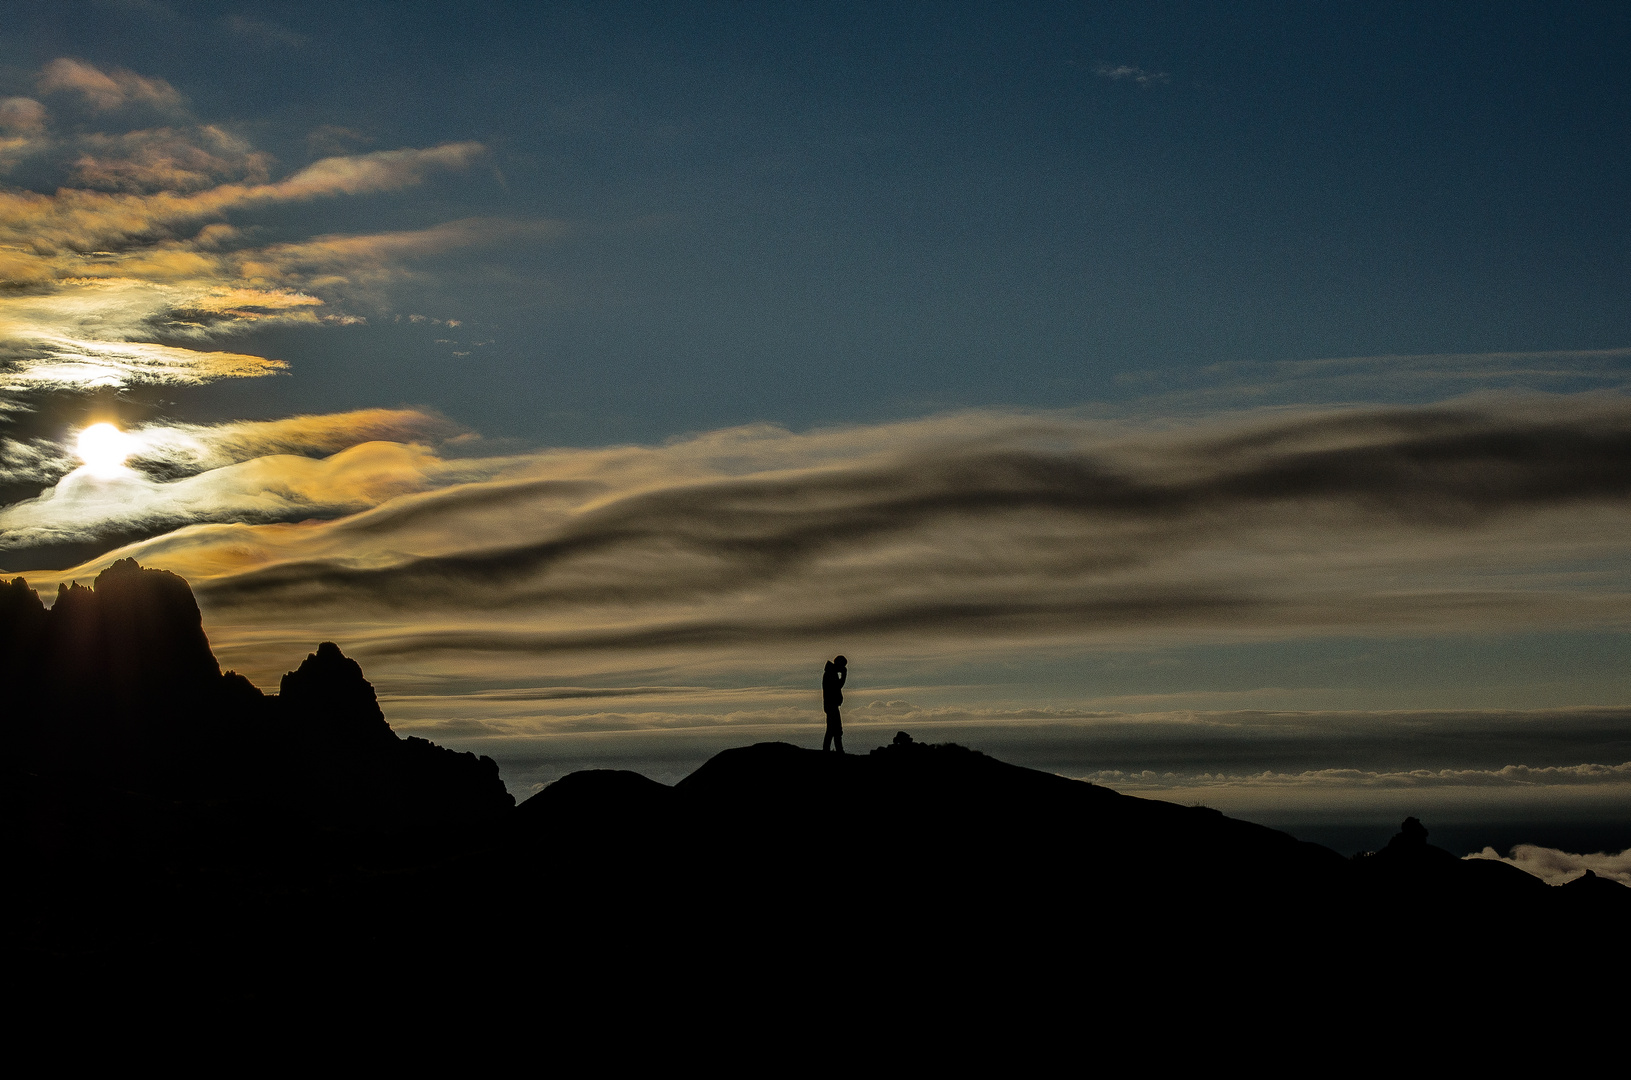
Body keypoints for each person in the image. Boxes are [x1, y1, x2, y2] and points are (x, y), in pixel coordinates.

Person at [822, 655, 847, 753]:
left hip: (831, 704)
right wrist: (844, 676)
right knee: (834, 730)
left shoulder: (831, 673)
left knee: (834, 730)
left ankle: (835, 750)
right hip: (831, 705)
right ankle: (836, 750)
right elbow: (838, 686)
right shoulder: (830, 674)